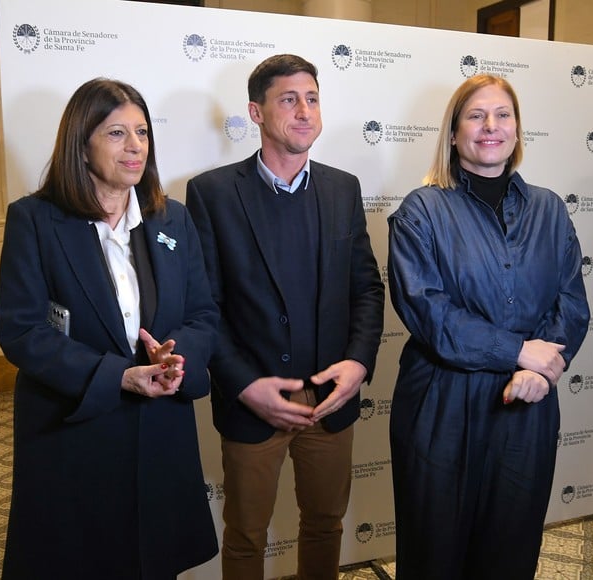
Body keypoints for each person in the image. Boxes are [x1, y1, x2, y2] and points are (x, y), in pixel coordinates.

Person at [0, 78, 219, 579]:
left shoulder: (173, 220)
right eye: (117, 133)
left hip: (160, 434)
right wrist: (118, 375)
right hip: (74, 435)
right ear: (81, 143)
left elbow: (204, 313)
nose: (135, 145)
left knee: (154, 563)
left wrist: (176, 357)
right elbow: (22, 330)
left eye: (141, 132)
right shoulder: (33, 220)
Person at [185, 54, 384, 579]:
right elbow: (205, 307)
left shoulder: (344, 188)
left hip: (331, 400)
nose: (304, 111)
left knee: (326, 524)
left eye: (312, 98)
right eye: (288, 99)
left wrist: (358, 365)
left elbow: (366, 287)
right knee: (246, 535)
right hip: (254, 404)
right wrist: (244, 385)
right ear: (256, 112)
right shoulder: (212, 194)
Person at [386, 73, 590, 579]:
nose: (490, 126)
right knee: (436, 552)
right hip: (441, 406)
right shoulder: (422, 211)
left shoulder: (549, 210)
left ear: (518, 130)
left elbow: (571, 303)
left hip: (527, 406)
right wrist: (520, 351)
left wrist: (542, 371)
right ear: (453, 134)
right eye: (475, 116)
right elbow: (428, 312)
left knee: (511, 549)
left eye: (503, 115)